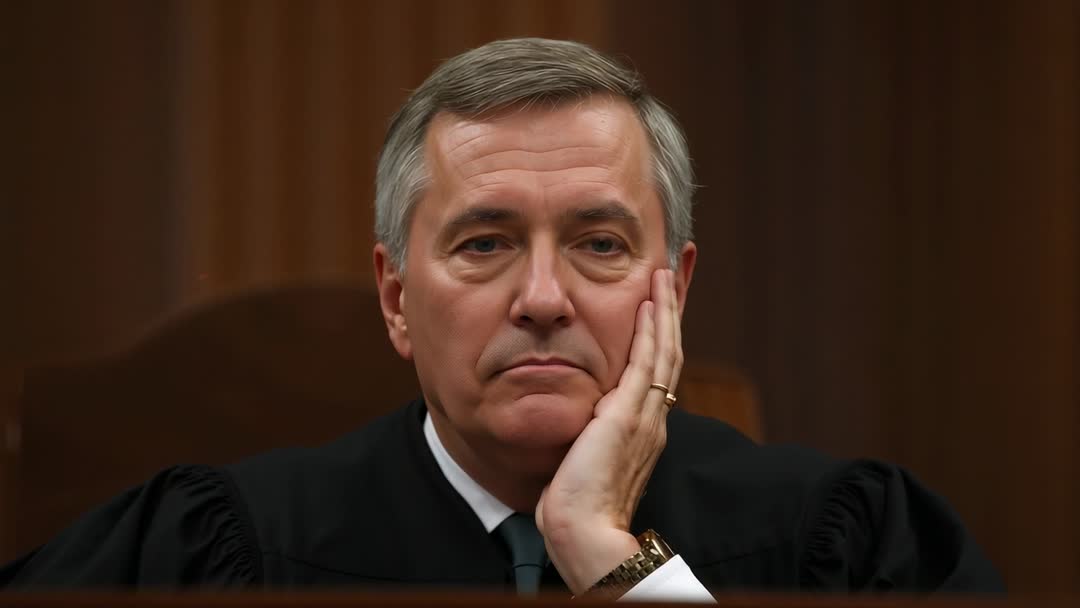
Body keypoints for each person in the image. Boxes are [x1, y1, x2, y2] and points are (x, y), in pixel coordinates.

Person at [1, 38, 1002, 599]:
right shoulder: (217, 551)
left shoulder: (849, 547)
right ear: (397, 298)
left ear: (675, 289)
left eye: (599, 243)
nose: (543, 297)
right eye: (485, 243)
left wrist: (606, 553)